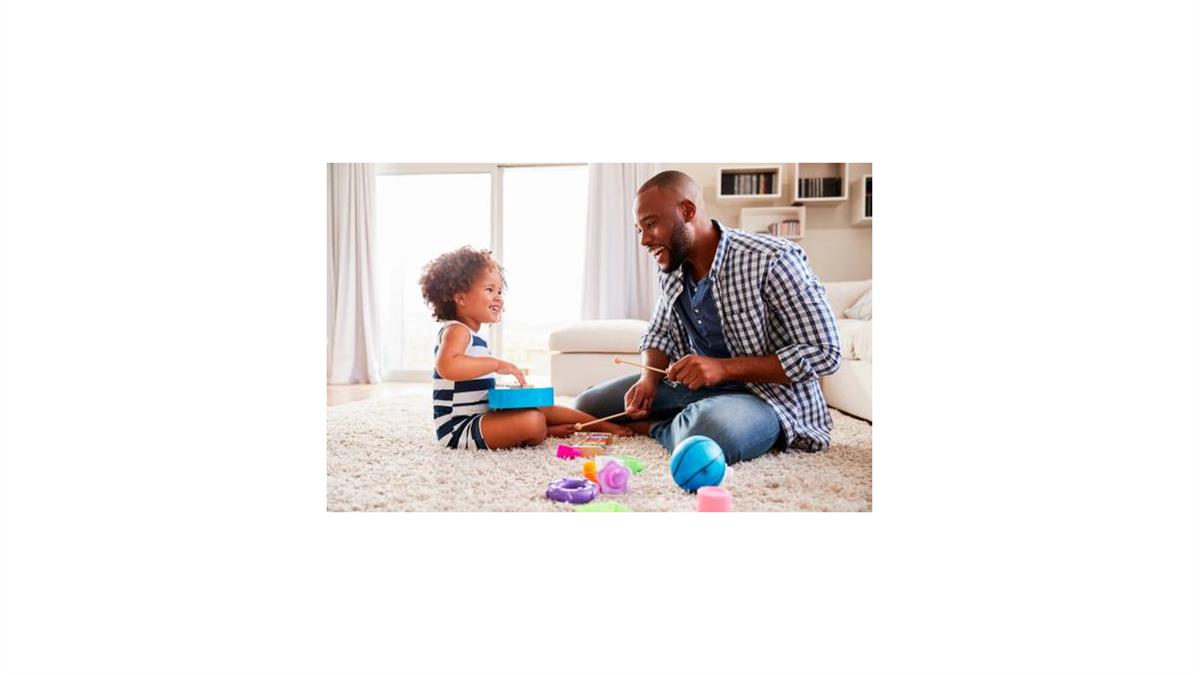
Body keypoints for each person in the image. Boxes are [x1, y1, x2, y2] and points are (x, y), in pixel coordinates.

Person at [575, 170, 842, 464]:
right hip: (697, 390)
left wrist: (723, 369)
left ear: (687, 210)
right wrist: (648, 379)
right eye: (639, 229)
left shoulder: (774, 259)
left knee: (707, 433)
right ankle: (683, 421)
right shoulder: (673, 266)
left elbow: (825, 352)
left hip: (767, 399)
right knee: (587, 405)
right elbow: (659, 333)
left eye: (650, 224)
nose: (644, 240)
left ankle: (653, 427)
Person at [419, 246, 631, 449]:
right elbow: (448, 366)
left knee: (539, 406)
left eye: (499, 291)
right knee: (533, 420)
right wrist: (496, 364)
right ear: (460, 297)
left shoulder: (474, 337)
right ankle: (546, 431)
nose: (498, 297)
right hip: (459, 429)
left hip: (482, 416)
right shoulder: (457, 330)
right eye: (489, 289)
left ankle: (602, 425)